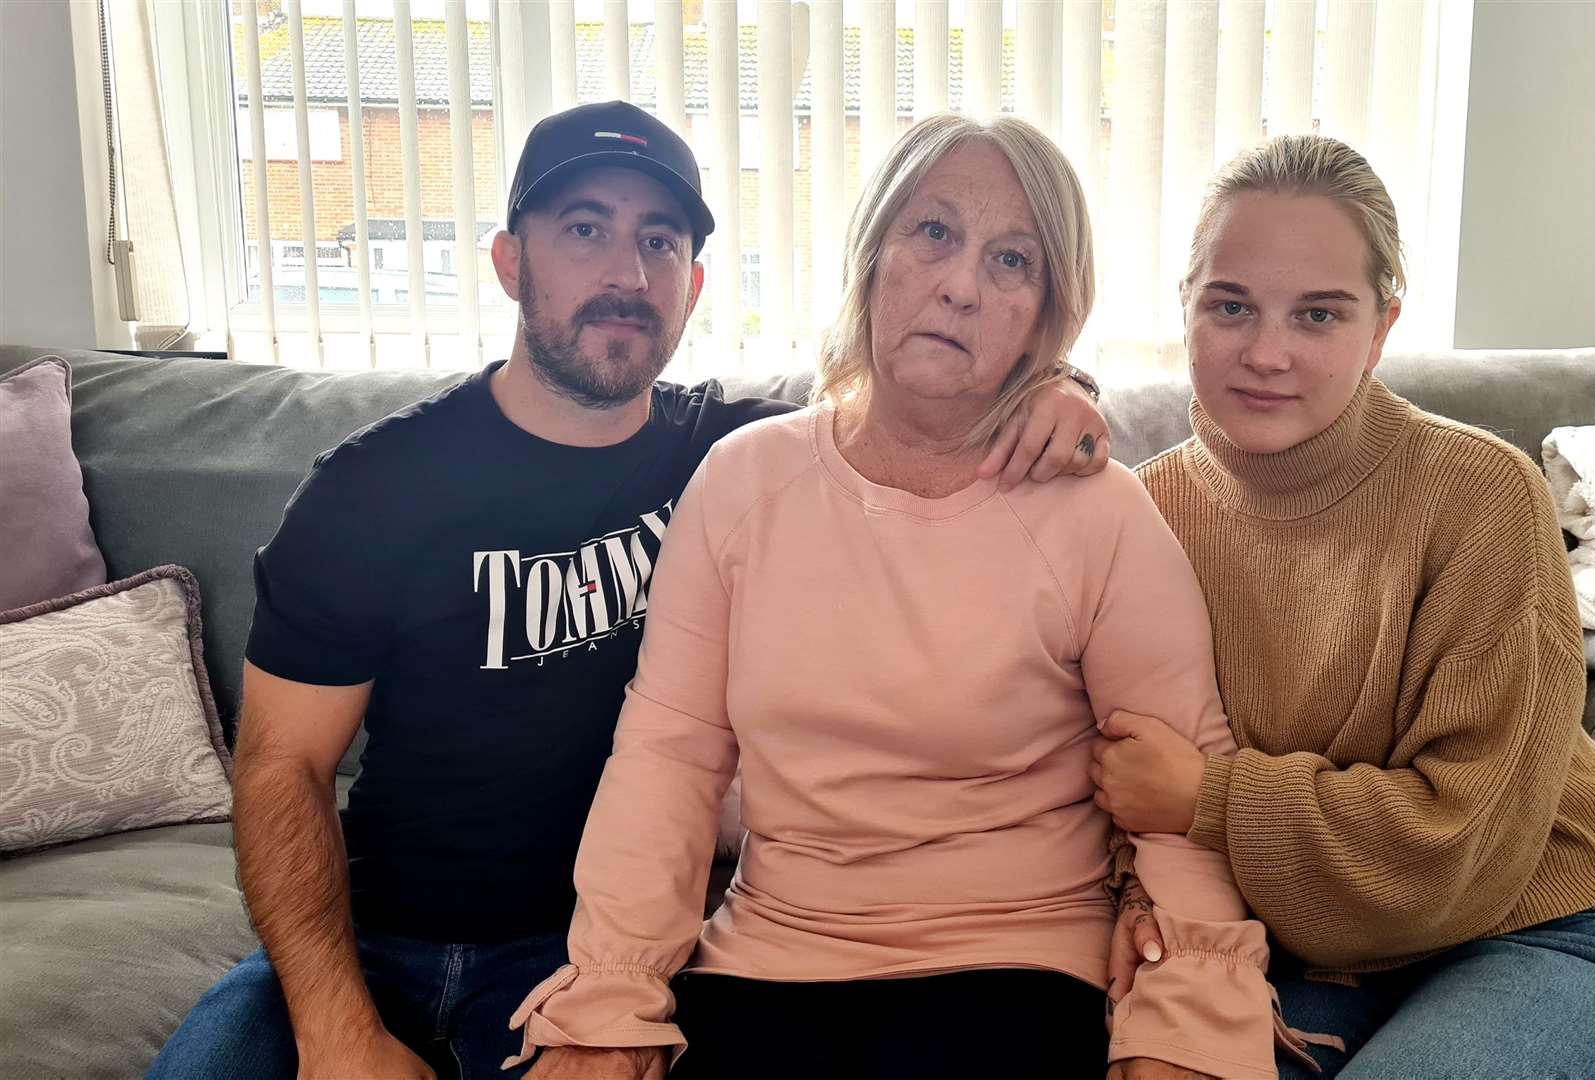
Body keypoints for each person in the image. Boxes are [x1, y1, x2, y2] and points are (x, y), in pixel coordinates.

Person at [147, 101, 1113, 1080]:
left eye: (659, 241)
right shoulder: (370, 489)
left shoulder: (744, 463)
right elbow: (281, 769)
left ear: (693, 286)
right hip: (366, 939)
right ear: (509, 262)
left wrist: (1056, 385)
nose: (626, 275)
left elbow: (921, 415)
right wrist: (336, 1030)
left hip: (588, 953)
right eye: (584, 229)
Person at [508, 114, 1278, 1080]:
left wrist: (1188, 1025)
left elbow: (1178, 785)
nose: (959, 285)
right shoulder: (743, 482)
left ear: (1045, 316)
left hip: (1024, 955)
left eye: (1012, 261)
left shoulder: (1098, 511)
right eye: (934, 233)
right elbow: (668, 759)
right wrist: (610, 1004)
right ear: (873, 255)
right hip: (773, 955)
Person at [1089, 134, 1595, 1077]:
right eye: (1231, 306)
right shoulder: (1138, 513)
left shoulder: (1482, 494)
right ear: (1185, 308)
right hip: (1309, 957)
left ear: (1381, 328)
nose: (1266, 353)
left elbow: (1461, 844)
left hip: (1552, 926)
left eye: (1318, 315)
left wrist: (1209, 800)